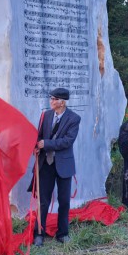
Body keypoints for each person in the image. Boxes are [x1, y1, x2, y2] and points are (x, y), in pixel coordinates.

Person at [33, 87, 81, 246]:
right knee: (43, 201)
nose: (51, 101)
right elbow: (39, 136)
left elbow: (68, 141)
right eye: (51, 98)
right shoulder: (45, 115)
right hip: (45, 164)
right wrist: (36, 146)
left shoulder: (74, 118)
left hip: (64, 165)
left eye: (54, 99)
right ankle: (39, 233)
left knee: (64, 201)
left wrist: (46, 144)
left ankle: (63, 233)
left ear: (62, 102)